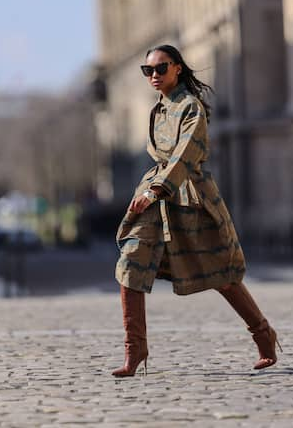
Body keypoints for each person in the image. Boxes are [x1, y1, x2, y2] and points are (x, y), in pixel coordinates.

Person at [112, 44, 282, 377]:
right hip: (155, 197)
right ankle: (135, 352)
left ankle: (264, 335)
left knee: (221, 274)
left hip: (191, 198)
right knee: (130, 262)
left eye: (161, 68)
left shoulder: (190, 107)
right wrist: (150, 191)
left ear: (177, 68)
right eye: (148, 71)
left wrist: (156, 189)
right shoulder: (157, 109)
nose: (155, 76)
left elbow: (186, 154)